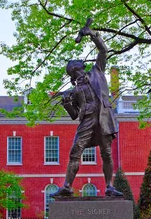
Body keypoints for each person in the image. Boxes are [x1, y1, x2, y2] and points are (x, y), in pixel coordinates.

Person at [51, 22, 123, 197]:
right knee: (76, 150)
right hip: (87, 120)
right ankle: (67, 186)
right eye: (77, 61)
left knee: (106, 152)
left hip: (103, 116)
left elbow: (103, 51)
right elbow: (75, 115)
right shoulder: (74, 91)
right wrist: (67, 104)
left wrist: (92, 34)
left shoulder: (97, 71)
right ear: (74, 69)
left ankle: (108, 186)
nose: (80, 61)